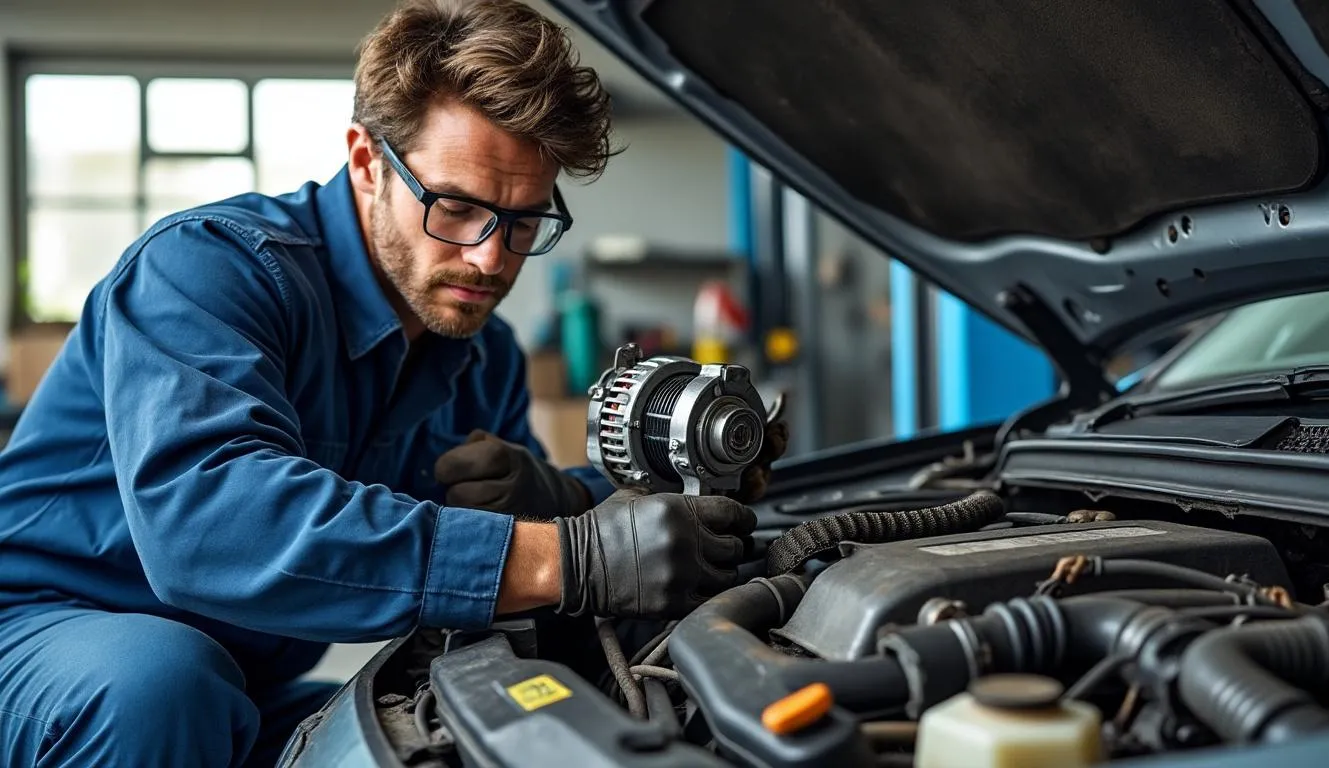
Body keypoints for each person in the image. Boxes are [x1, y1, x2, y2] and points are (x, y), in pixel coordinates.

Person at [0, 1, 785, 765]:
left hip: (241, 681)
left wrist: (581, 499)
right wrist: (565, 556)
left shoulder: (483, 353)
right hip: (46, 641)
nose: (490, 258)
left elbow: (515, 540)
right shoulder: (207, 270)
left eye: (523, 221)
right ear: (368, 162)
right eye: (457, 207)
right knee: (157, 685)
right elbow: (211, 524)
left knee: (456, 730)